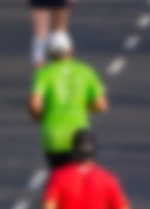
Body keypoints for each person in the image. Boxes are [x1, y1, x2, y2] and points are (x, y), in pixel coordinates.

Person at [29, 31, 107, 169]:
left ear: (50, 53)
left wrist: (40, 117)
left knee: (59, 177)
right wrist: (83, 107)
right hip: (79, 137)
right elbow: (101, 105)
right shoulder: (85, 71)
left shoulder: (44, 74)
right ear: (70, 50)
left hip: (53, 137)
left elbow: (35, 105)